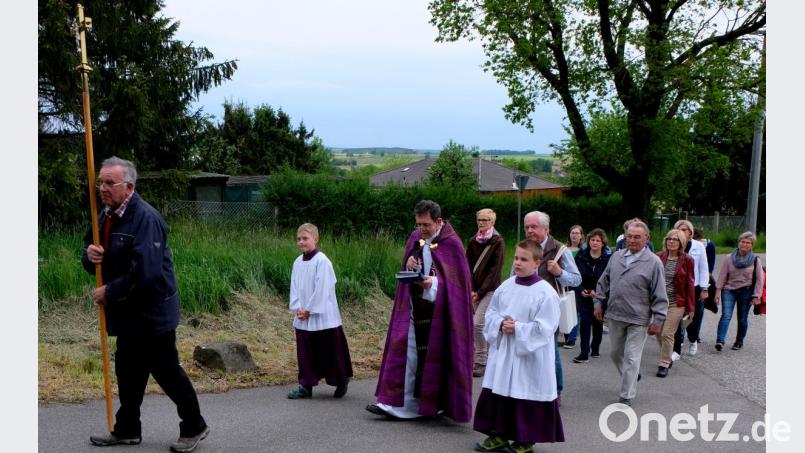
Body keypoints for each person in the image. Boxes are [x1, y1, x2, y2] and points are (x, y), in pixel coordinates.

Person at [82, 157, 209, 452]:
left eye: (109, 183)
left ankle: (194, 425)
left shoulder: (146, 219)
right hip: (127, 311)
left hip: (153, 311)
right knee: (127, 370)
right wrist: (90, 257)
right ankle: (127, 428)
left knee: (166, 371)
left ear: (129, 186)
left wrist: (109, 292)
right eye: (100, 182)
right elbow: (92, 259)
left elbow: (147, 273)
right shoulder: (104, 216)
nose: (102, 188)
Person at [367, 200, 474, 421]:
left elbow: (457, 286)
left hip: (440, 316)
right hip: (414, 308)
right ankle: (397, 404)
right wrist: (409, 266)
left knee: (436, 360)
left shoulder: (452, 244)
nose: (421, 230)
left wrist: (433, 284)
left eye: (426, 225)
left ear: (439, 221)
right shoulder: (416, 238)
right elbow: (407, 262)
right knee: (405, 352)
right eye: (418, 224)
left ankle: (432, 406)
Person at [473, 240, 564, 453]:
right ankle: (499, 435)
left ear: (536, 263)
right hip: (505, 352)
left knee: (525, 393)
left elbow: (546, 327)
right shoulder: (506, 286)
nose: (518, 263)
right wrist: (500, 324)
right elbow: (491, 313)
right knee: (501, 392)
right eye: (516, 258)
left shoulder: (545, 292)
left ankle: (525, 439)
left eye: (524, 259)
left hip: (529, 355)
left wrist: (519, 329)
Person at [594, 220, 668, 406]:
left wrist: (658, 319)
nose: (632, 240)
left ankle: (626, 395)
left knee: (632, 357)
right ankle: (632, 374)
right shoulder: (617, 256)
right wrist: (598, 302)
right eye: (629, 236)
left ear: (646, 238)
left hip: (639, 318)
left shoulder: (653, 262)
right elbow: (603, 282)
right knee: (614, 353)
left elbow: (660, 294)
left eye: (637, 237)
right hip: (615, 314)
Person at [287, 223, 353, 399]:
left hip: (323, 316)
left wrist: (310, 310)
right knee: (305, 352)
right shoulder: (297, 262)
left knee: (330, 350)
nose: (301, 242)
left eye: (305, 238)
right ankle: (306, 386)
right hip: (303, 316)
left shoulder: (322, 261)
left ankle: (341, 380)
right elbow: (294, 287)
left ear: (315, 239)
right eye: (299, 239)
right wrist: (298, 308)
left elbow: (323, 288)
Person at [522, 211, 581, 398]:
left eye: (534, 227)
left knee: (549, 350)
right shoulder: (523, 247)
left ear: (546, 229)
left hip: (550, 310)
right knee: (527, 349)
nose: (530, 231)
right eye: (527, 227)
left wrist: (559, 272)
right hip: (525, 308)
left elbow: (577, 279)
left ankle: (556, 391)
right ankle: (531, 389)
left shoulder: (560, 250)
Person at [466, 208, 506, 377]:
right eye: (479, 220)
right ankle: (491, 356)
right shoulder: (473, 241)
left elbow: (495, 271)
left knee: (478, 323)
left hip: (490, 290)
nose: (481, 223)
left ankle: (481, 361)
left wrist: (480, 292)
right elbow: (467, 265)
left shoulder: (498, 241)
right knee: (487, 324)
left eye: (485, 220)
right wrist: (469, 288)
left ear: (492, 222)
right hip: (474, 290)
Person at [714, 231, 765, 351]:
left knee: (742, 318)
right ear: (739, 243)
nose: (745, 244)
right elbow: (722, 276)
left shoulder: (755, 260)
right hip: (729, 290)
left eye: (748, 243)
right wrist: (717, 291)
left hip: (746, 291)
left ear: (752, 245)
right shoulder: (729, 258)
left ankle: (739, 341)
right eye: (742, 242)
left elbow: (759, 279)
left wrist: (757, 295)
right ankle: (720, 341)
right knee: (726, 315)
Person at [655, 229, 695, 378]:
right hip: (658, 302)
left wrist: (690, 308)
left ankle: (664, 363)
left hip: (676, 303)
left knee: (667, 333)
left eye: (675, 239)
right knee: (658, 333)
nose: (671, 241)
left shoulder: (687, 260)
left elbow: (690, 284)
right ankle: (668, 354)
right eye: (669, 239)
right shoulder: (658, 257)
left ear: (681, 243)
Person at [571, 229, 611, 363]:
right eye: (592, 240)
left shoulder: (608, 260)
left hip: (600, 297)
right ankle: (584, 352)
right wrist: (580, 289)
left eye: (598, 240)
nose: (594, 243)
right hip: (584, 296)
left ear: (603, 243)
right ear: (588, 241)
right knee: (585, 323)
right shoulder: (581, 257)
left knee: (597, 323)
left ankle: (595, 347)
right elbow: (575, 276)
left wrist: (599, 293)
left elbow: (610, 279)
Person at [671, 220, 709, 358]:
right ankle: (677, 346)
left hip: (694, 286)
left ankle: (693, 339)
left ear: (691, 233)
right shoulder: (673, 244)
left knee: (689, 317)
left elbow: (704, 268)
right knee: (676, 316)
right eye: (679, 229)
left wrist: (705, 288)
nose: (682, 232)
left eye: (685, 230)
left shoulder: (698, 246)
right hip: (676, 287)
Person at [561, 225, 585, 347]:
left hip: (578, 283)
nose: (574, 235)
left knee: (575, 310)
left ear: (581, 236)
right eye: (572, 232)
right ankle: (566, 337)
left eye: (577, 233)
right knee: (565, 308)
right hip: (565, 282)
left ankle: (572, 338)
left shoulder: (584, 251)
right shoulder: (563, 249)